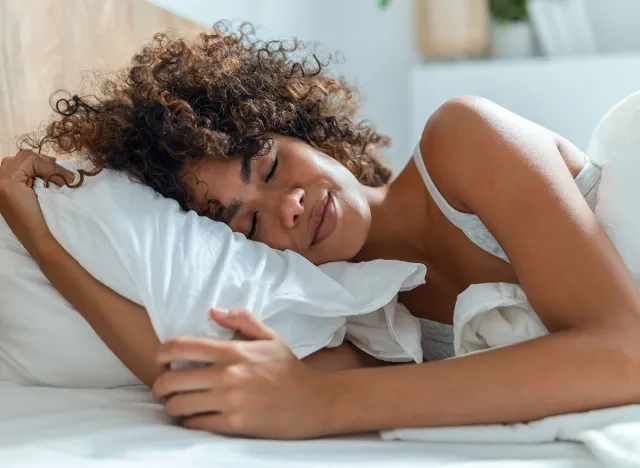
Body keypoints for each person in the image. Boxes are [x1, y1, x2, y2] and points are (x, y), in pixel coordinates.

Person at [2, 22, 640, 440]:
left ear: (302, 126)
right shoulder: (365, 316)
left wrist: (321, 405)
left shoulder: (462, 140)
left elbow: (625, 354)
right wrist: (45, 243)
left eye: (273, 165)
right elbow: (190, 376)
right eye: (247, 222)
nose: (289, 207)